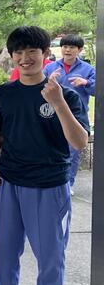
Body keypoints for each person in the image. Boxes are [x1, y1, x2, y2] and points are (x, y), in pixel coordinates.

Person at [0, 26, 89, 285]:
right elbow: (1, 133)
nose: (25, 58)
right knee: (5, 249)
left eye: (32, 51)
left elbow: (79, 141)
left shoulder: (65, 94)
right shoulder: (3, 94)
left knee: (50, 254)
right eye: (19, 52)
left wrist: (57, 102)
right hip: (10, 182)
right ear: (12, 55)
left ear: (45, 55)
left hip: (49, 185)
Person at [43, 34, 95, 191]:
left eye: (72, 47)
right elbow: (39, 88)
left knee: (73, 152)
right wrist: (48, 80)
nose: (67, 50)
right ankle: (50, 180)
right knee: (50, 148)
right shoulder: (50, 68)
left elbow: (97, 90)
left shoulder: (88, 69)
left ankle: (67, 184)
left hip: (76, 116)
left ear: (79, 49)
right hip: (52, 115)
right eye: (65, 46)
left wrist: (86, 82)